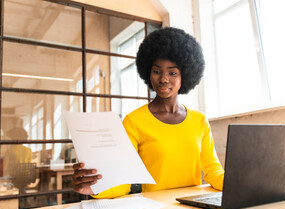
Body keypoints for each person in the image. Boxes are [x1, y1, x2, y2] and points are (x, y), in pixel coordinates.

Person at [72, 27, 224, 199]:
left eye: (172, 73)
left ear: (186, 75)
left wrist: (237, 181)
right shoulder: (134, 121)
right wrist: (94, 189)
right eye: (157, 71)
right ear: (148, 72)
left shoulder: (199, 120)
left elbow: (212, 169)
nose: (163, 79)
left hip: (194, 208)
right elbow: (125, 180)